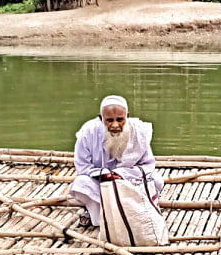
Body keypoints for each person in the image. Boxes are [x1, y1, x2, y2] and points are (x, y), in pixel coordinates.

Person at [70, 95, 163, 227]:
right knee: (81, 184)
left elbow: (147, 166)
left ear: (127, 116)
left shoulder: (139, 132)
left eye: (120, 120)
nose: (115, 125)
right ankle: (100, 219)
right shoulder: (88, 132)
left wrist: (121, 175)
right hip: (100, 184)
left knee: (156, 180)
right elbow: (82, 167)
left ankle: (130, 213)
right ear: (101, 118)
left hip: (129, 183)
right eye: (109, 120)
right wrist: (103, 175)